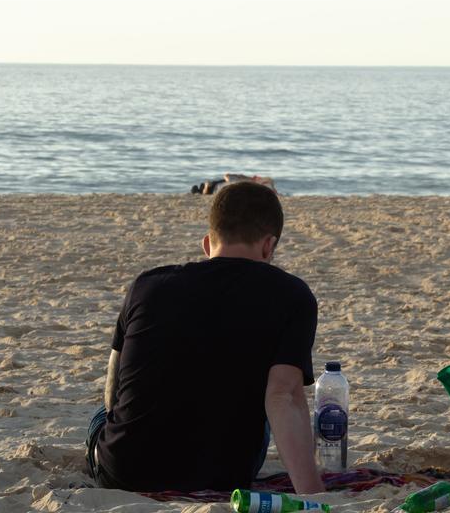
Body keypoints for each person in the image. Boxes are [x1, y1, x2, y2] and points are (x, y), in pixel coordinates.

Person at [87, 182, 322, 494]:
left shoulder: (147, 285)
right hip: (223, 475)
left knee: (100, 415)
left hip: (126, 472)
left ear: (207, 242)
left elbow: (113, 389)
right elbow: (284, 396)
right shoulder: (293, 295)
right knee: (258, 407)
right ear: (268, 246)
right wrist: (313, 494)